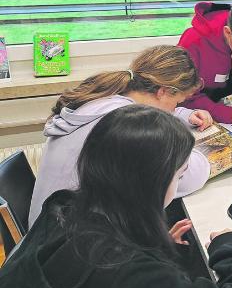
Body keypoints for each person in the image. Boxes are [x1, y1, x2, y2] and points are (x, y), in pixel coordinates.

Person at [0, 105, 232, 288]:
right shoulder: (129, 276)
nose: (179, 182)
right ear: (152, 181)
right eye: (179, 175)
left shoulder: (65, 207)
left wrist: (149, 243)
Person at [29, 45, 212, 226]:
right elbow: (183, 178)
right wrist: (203, 157)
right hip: (72, 239)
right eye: (176, 102)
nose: (174, 109)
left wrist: (183, 114)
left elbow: (158, 111)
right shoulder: (127, 128)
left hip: (46, 228)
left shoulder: (104, 99)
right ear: (162, 91)